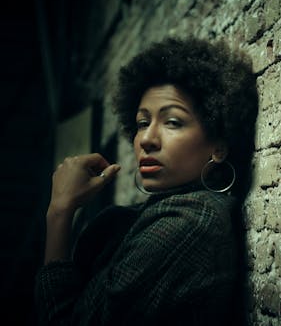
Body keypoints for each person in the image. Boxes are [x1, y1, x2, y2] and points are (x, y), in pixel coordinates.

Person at [34, 37, 258, 325]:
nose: (148, 139)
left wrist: (59, 213)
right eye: (142, 123)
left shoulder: (188, 223)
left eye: (173, 122)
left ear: (218, 145)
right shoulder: (164, 212)